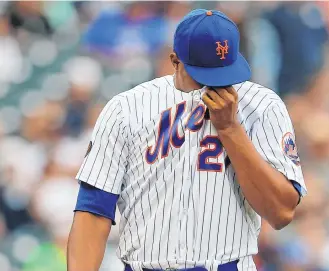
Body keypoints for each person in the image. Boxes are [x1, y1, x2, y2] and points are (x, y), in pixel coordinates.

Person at [67, 9, 307, 271]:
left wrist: (230, 129)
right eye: (204, 73)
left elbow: (281, 213)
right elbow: (93, 210)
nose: (215, 83)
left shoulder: (262, 106)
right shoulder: (127, 109)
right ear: (174, 60)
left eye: (224, 71)